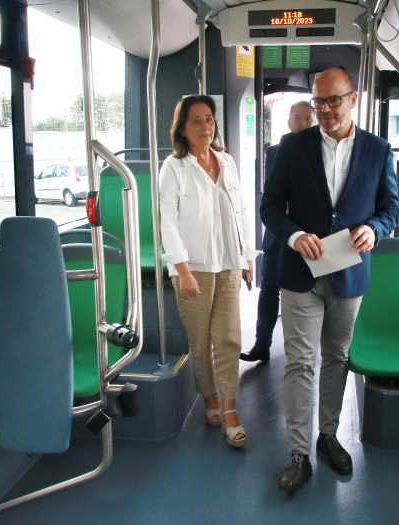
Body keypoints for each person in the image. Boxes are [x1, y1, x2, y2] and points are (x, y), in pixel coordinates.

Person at [260, 67, 399, 493]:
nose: (324, 109)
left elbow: (391, 207)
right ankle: (299, 453)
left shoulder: (377, 150)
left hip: (348, 270)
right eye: (318, 101)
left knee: (336, 357)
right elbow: (269, 206)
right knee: (300, 362)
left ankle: (328, 436)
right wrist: (296, 234)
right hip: (299, 271)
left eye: (333, 100)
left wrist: (375, 229)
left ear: (352, 99)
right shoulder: (291, 146)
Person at [157, 95, 256, 448]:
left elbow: (242, 211)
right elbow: (166, 222)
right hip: (193, 267)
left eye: (210, 119)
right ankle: (209, 398)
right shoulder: (174, 167)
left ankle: (229, 408)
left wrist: (247, 256)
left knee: (229, 338)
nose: (205, 126)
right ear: (183, 128)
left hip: (229, 263)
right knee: (200, 342)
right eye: (196, 120)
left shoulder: (226, 161)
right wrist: (182, 270)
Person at [241, 100, 315, 363]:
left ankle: (306, 350)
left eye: (308, 118)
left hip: (311, 236)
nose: (304, 123)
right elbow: (273, 196)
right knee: (269, 289)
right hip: (277, 233)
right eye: (298, 118)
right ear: (289, 121)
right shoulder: (275, 152)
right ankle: (262, 344)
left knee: (311, 292)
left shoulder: (323, 151)